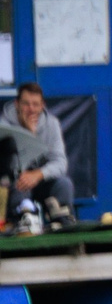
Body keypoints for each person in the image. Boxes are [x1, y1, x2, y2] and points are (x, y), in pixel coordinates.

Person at [2, 81, 73, 226]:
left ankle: (61, 222)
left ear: (43, 106)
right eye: (26, 104)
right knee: (19, 186)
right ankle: (22, 222)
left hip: (42, 180)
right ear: (17, 104)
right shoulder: (4, 125)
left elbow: (60, 162)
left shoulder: (51, 124)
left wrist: (38, 174)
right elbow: (8, 168)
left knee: (64, 184)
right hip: (17, 183)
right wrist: (28, 134)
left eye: (35, 104)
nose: (31, 109)